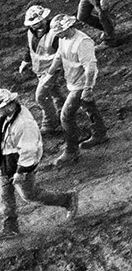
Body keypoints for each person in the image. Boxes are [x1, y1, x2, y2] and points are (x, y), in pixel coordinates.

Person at [1, 89, 77, 236]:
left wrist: (21, 172)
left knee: (29, 195)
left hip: (20, 162)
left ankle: (67, 199)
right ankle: (10, 227)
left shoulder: (24, 124)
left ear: (9, 105)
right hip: (5, 159)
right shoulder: (6, 115)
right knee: (4, 193)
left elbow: (29, 151)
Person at [46, 15, 105, 166]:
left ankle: (71, 151)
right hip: (72, 82)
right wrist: (50, 73)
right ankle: (100, 133)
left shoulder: (83, 42)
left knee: (66, 116)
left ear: (67, 28)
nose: (56, 35)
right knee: (88, 106)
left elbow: (90, 68)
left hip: (81, 84)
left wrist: (88, 88)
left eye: (59, 32)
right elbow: (59, 56)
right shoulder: (63, 39)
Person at [16, 7, 62, 137]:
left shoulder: (54, 33)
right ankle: (65, 111)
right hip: (39, 69)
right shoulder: (31, 31)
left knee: (41, 96)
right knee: (54, 91)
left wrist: (53, 71)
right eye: (32, 24)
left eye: (36, 23)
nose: (34, 26)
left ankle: (50, 124)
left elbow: (62, 53)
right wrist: (25, 61)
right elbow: (29, 48)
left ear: (44, 19)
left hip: (52, 70)